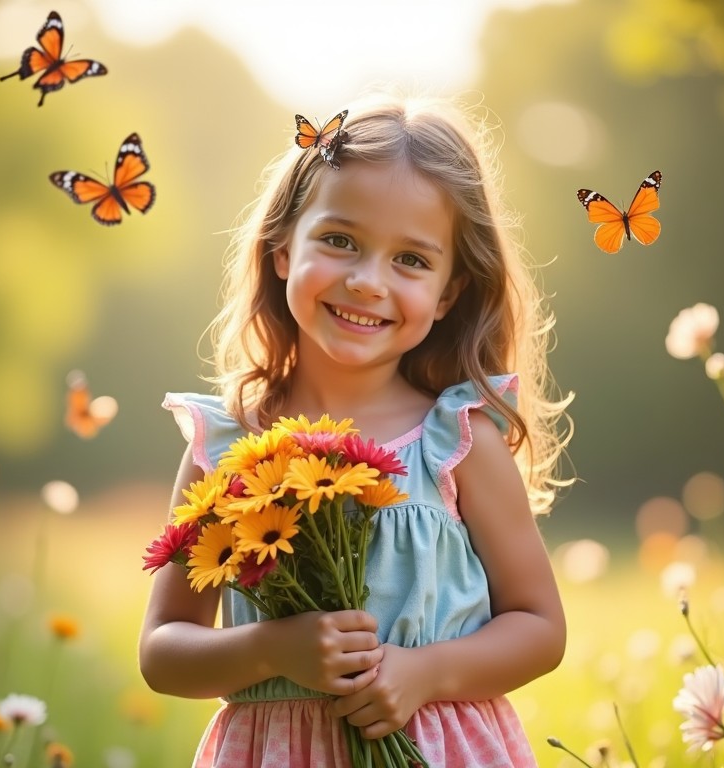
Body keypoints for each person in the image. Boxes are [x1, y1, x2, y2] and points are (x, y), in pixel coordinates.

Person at [139, 90, 572, 767]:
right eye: (340, 242)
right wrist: (270, 650)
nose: (369, 281)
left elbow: (540, 628)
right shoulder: (227, 447)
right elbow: (164, 650)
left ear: (448, 293)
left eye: (412, 260)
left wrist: (425, 673)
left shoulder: (456, 443)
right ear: (282, 250)